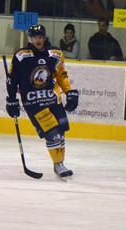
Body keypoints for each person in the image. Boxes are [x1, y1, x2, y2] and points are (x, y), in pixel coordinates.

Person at [6, 24, 79, 178]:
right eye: (34, 37)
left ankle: (59, 163)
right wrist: (11, 99)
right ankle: (59, 164)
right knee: (52, 132)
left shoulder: (55, 54)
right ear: (30, 39)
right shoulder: (21, 56)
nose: (37, 40)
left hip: (53, 99)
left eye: (40, 37)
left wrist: (69, 91)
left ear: (44, 37)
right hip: (33, 102)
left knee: (61, 130)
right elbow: (12, 79)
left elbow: (61, 76)